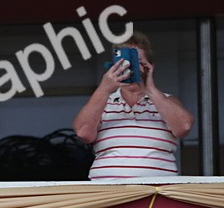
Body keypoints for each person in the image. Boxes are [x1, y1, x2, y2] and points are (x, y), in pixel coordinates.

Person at [73, 31, 195, 180]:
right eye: (124, 62)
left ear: (149, 66)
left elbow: (184, 127)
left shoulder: (165, 101)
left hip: (157, 193)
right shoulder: (103, 101)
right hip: (107, 191)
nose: (129, 67)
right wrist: (104, 88)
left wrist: (150, 89)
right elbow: (83, 133)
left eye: (136, 61)